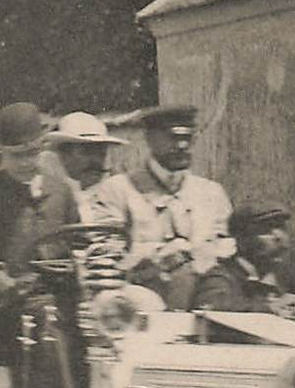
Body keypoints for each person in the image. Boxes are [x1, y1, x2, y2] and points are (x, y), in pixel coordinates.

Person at [0, 102, 81, 380]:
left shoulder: (61, 190)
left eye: (31, 153)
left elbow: (80, 243)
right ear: (1, 152)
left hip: (66, 299)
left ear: (42, 147)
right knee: (47, 326)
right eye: (15, 155)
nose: (24, 164)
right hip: (13, 308)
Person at [94, 105, 234, 309]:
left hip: (204, 303)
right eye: (173, 138)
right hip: (140, 305)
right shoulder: (118, 189)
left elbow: (226, 247)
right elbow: (106, 254)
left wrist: (200, 253)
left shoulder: (211, 193)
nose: (183, 145)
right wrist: (157, 255)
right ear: (150, 138)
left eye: (189, 138)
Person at [194, 203, 295, 314]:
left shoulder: (279, 283)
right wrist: (268, 308)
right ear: (242, 239)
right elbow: (211, 307)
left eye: (282, 228)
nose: (279, 238)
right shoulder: (220, 278)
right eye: (266, 231)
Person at [43, 111, 128, 222]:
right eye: (87, 152)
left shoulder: (118, 193)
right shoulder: (49, 194)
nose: (96, 160)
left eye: (101, 153)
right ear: (63, 154)